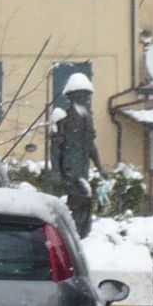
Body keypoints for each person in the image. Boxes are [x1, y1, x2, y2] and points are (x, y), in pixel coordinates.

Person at [48, 72, 103, 235]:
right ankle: (74, 232)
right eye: (83, 95)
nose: (86, 98)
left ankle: (80, 232)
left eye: (87, 95)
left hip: (82, 166)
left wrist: (100, 167)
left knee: (84, 200)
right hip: (69, 166)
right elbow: (55, 146)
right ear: (73, 96)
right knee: (79, 199)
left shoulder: (88, 117)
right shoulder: (63, 117)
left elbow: (91, 144)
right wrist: (56, 170)